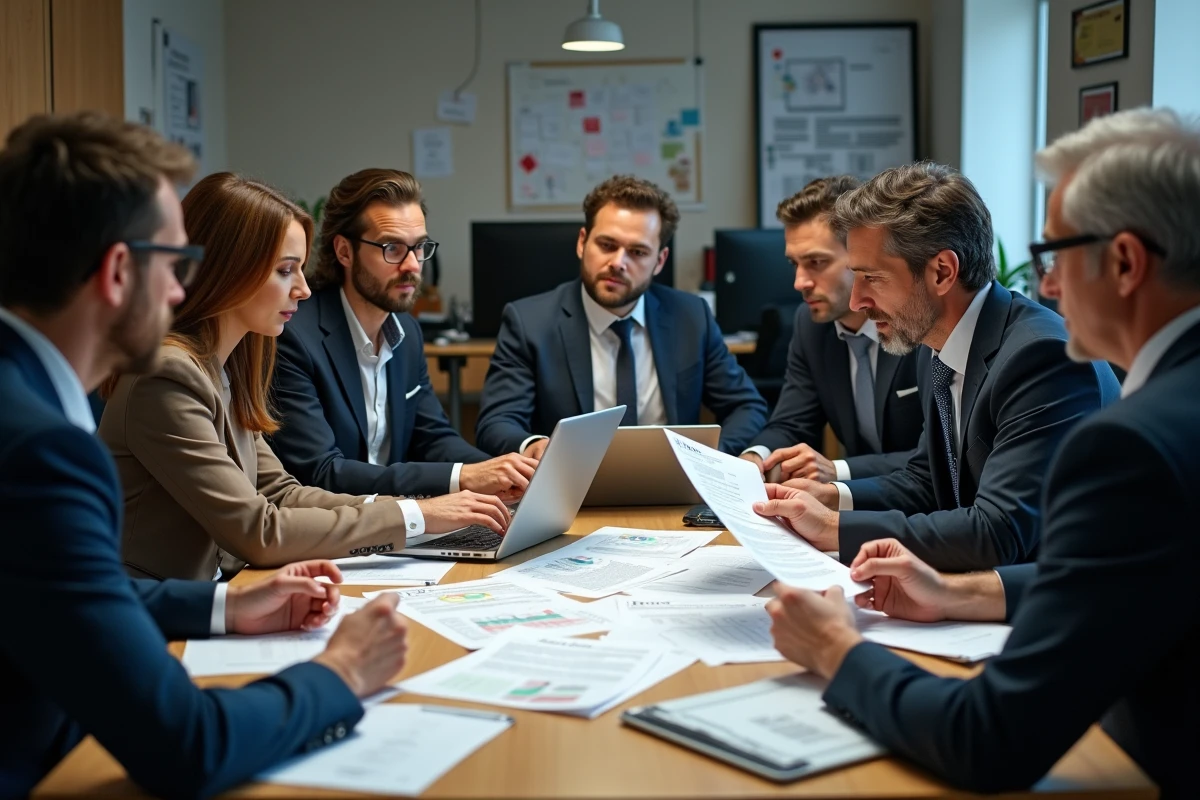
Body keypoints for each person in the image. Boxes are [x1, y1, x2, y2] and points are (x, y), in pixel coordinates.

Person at [761, 108, 1200, 797]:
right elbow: (1130, 578)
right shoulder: (943, 348)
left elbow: (989, 739)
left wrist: (835, 650)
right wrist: (955, 593)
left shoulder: (1130, 441)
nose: (1046, 284)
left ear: (1124, 262)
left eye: (1055, 255)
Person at [0, 111, 410, 798]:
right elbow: (188, 744)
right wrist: (342, 671)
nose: (182, 290)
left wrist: (223, 609)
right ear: (119, 272)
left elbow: (65, 590)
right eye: (176, 264)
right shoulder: (40, 454)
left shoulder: (27, 408)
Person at [99, 172, 509, 581]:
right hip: (153, 608)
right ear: (228, 271)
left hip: (217, 591)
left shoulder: (229, 365)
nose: (303, 289)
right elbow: (259, 532)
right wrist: (416, 516)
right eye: (285, 270)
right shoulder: (168, 375)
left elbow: (281, 494)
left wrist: (419, 512)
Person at [766, 162, 1119, 571]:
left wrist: (834, 528)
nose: (858, 300)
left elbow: (998, 531)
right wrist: (831, 498)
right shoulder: (936, 340)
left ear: (942, 272)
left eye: (871, 278)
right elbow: (927, 480)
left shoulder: (1040, 357)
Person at [270, 168, 537, 500]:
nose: (412, 265)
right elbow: (321, 472)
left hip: (399, 520)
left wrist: (506, 474)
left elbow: (432, 438)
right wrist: (464, 477)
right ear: (344, 252)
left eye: (419, 247)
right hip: (331, 522)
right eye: (392, 248)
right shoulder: (293, 336)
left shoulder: (406, 330)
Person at [476, 175, 768, 457]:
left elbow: (746, 407)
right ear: (582, 242)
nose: (618, 263)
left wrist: (709, 459)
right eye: (607, 245)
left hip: (670, 484)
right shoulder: (529, 322)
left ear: (659, 261)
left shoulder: (691, 317)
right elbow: (497, 422)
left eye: (638, 252)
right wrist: (533, 446)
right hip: (574, 484)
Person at [740, 176, 924, 483]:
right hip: (862, 501)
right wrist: (756, 458)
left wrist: (838, 470)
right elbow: (792, 424)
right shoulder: (810, 324)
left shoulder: (918, 320)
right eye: (794, 264)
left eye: (816, 262)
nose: (799, 282)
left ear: (860, 257)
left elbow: (940, 455)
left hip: (933, 504)